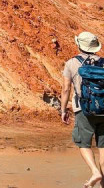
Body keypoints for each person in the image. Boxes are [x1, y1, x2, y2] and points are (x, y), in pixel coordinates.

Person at [60, 31, 103, 188]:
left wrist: (63, 110)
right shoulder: (103, 62)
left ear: (79, 44)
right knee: (103, 151)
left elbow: (65, 89)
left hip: (83, 110)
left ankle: (94, 172)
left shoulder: (71, 63)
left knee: (84, 144)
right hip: (103, 111)